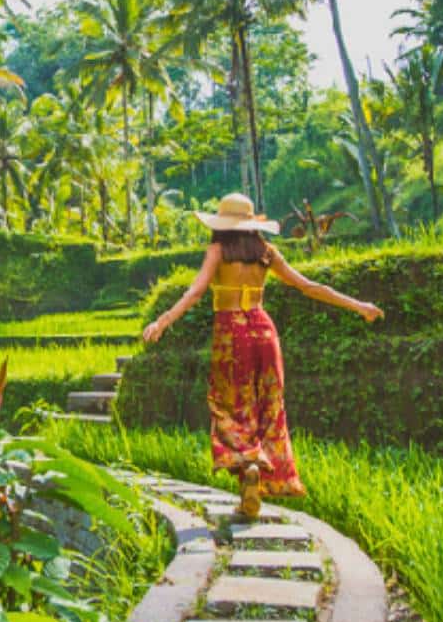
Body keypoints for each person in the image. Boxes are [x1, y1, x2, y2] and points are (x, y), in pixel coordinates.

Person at [142, 193, 384, 518]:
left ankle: (249, 461)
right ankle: (251, 487)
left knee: (230, 405)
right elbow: (309, 286)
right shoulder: (266, 252)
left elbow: (195, 291)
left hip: (232, 334)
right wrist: (359, 306)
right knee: (267, 406)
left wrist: (162, 321)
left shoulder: (218, 250)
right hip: (264, 331)